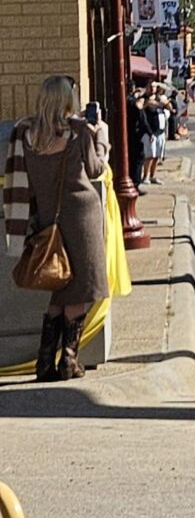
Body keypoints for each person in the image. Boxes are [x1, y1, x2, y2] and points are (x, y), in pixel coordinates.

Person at [5, 76, 111, 381]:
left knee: (60, 286)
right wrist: (101, 137)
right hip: (82, 218)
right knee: (80, 288)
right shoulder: (78, 131)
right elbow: (95, 169)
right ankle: (68, 360)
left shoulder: (26, 135)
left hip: (48, 220)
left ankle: (43, 362)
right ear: (68, 101)